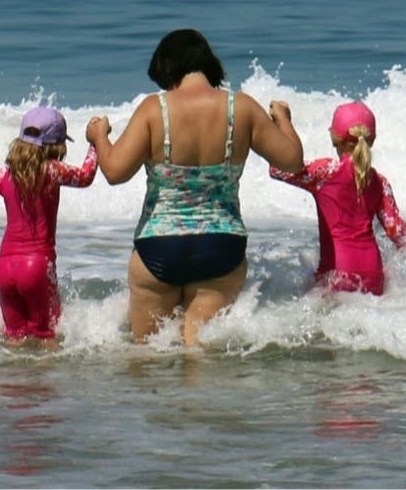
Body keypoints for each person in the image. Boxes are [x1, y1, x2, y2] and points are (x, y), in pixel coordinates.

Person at [85, 28, 303, 346]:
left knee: (146, 357)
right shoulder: (240, 108)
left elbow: (115, 171)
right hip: (221, 246)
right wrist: (283, 119)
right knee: (198, 356)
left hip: (158, 245)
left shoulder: (153, 109)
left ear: (168, 68)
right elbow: (292, 160)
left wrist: (99, 136)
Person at [0, 106, 98, 345]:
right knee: (47, 336)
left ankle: (14, 381)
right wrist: (95, 143)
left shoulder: (4, 174)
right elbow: (86, 176)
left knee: (14, 337)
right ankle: (45, 383)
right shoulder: (53, 170)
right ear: (56, 145)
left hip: (5, 267)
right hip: (36, 266)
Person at [269, 101, 406, 296]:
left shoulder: (326, 172)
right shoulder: (379, 181)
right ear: (372, 139)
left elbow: (278, 169)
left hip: (337, 271)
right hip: (373, 273)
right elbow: (398, 232)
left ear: (335, 138)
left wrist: (282, 122)